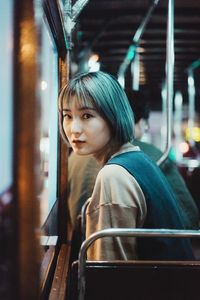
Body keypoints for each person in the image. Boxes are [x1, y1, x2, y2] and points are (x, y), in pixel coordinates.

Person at [59, 70, 194, 261]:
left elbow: (111, 273)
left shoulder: (114, 175)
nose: (74, 128)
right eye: (68, 116)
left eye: (87, 116)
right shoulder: (138, 158)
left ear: (113, 116)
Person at [67, 89, 199, 232]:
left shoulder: (75, 156)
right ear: (141, 122)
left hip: (78, 241)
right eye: (67, 116)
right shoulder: (150, 156)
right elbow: (188, 218)